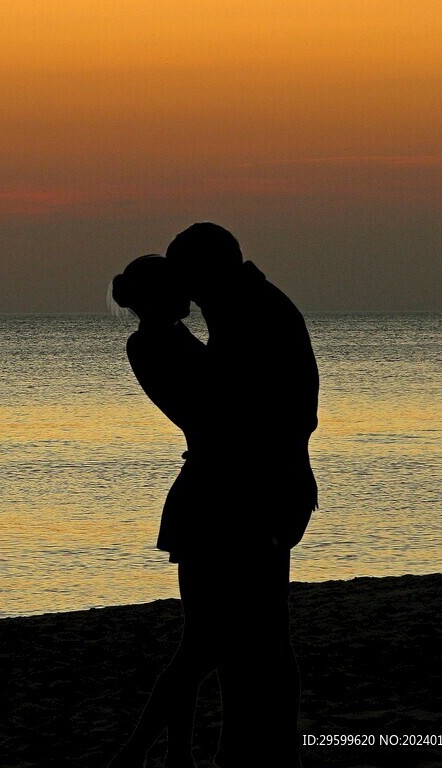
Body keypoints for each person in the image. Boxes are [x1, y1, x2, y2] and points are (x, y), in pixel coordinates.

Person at [166, 222, 318, 767]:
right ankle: (259, 751)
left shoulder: (251, 314)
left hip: (261, 491)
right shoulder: (245, 308)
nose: (183, 290)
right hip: (268, 487)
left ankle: (262, 753)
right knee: (254, 635)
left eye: (186, 277)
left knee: (258, 637)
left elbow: (278, 414)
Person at [107, 254, 223, 768]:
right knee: (201, 643)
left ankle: (174, 753)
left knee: (198, 641)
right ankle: (139, 751)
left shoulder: (166, 338)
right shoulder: (152, 343)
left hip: (204, 489)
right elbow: (208, 401)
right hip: (206, 495)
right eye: (178, 287)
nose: (189, 294)